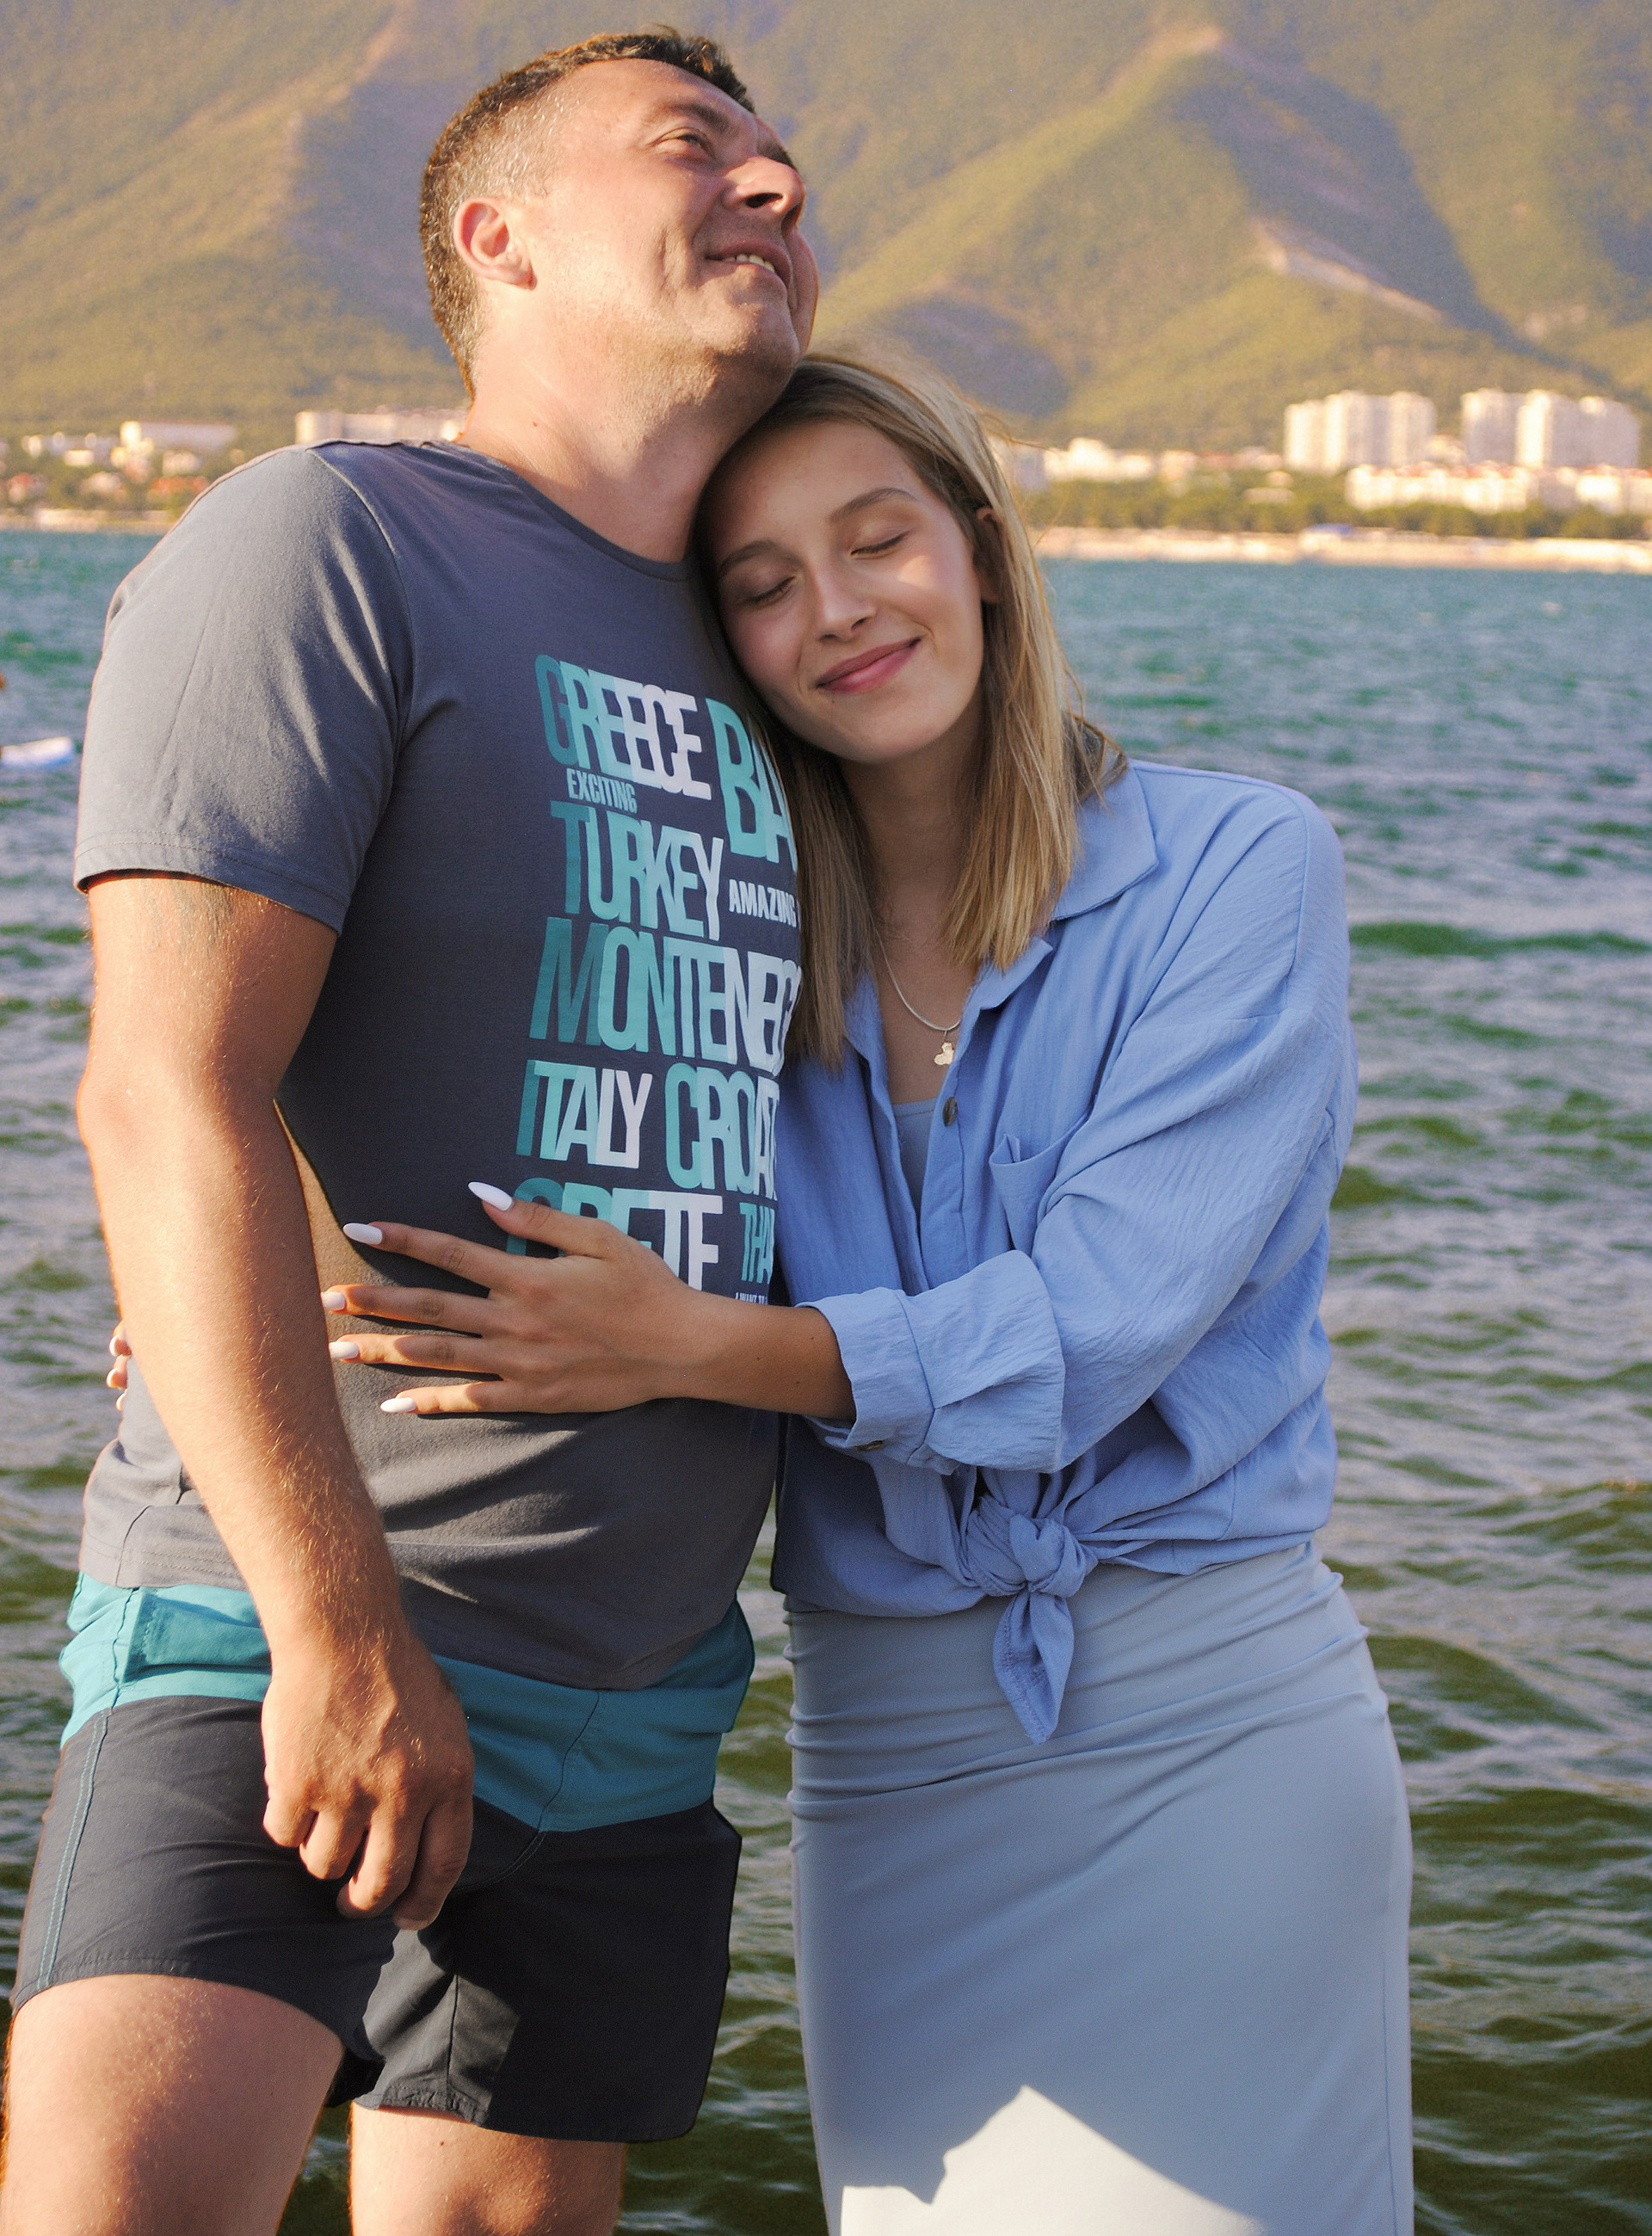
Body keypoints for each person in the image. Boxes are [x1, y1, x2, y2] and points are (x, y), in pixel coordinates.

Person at [312, 354, 1415, 2235]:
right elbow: (517, 1129)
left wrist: (691, 1346)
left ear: (980, 549)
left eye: (878, 540)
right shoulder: (733, 945)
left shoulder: (1240, 867)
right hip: (883, 1752)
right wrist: (255, 1284)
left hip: (1207, 1726)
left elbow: (1090, 1331)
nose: (835, 610)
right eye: (761, 583)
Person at [3, 30, 818, 2236]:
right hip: (290, 1625)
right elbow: (162, 1081)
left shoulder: (775, 644)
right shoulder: (329, 538)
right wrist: (337, 1630)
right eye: (700, 149)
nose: (775, 184)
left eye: (783, 162)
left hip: (642, 1696)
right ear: (499, 236)